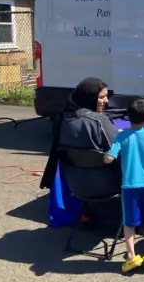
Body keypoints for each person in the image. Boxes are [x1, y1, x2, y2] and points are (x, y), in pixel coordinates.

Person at [104, 96, 144, 272]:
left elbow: (109, 158)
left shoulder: (121, 136)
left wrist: (106, 154)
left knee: (129, 222)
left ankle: (131, 256)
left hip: (129, 186)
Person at [40, 77, 120, 221]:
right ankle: (143, 219)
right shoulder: (99, 121)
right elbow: (120, 150)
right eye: (102, 97)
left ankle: (88, 213)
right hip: (107, 184)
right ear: (89, 97)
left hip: (76, 184)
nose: (107, 101)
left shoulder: (60, 120)